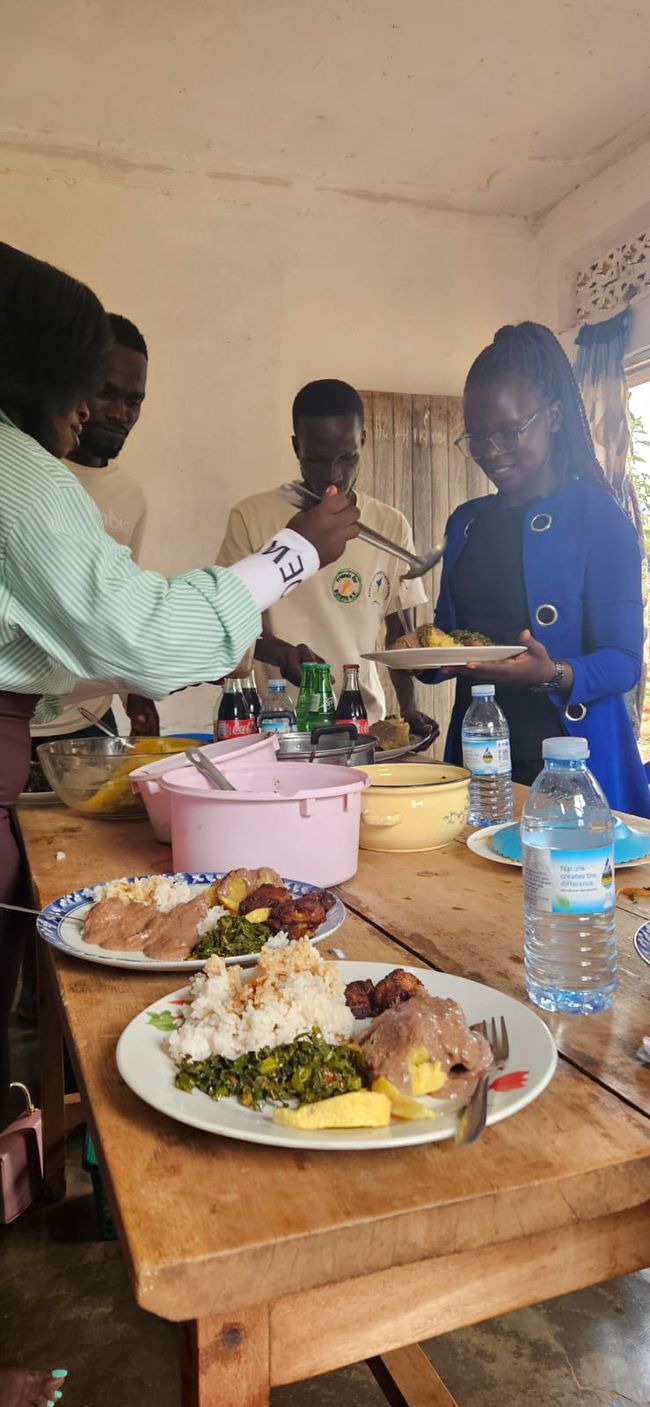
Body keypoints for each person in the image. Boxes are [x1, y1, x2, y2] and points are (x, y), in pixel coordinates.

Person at [0, 238, 360, 1137]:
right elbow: (154, 636)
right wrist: (295, 551)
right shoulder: (19, 473)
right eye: (87, 381)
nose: (95, 407)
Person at [420, 320, 650, 816]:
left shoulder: (598, 516)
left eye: (507, 430)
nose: (491, 451)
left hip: (573, 767)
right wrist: (425, 654)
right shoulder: (466, 523)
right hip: (480, 761)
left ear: (554, 416)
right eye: (477, 437)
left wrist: (553, 674)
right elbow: (451, 635)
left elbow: (623, 660)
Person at [217, 378, 436, 733]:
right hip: (275, 725)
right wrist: (279, 653)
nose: (332, 474)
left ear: (363, 441)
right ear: (296, 447)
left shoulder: (390, 525)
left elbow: (399, 634)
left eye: (347, 457)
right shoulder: (251, 516)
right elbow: (225, 622)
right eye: (316, 459)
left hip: (362, 725)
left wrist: (409, 709)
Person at [30, 312, 155, 748]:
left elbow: (117, 606)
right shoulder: (26, 473)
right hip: (17, 720)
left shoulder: (131, 497)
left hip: (88, 723)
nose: (120, 413)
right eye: (107, 393)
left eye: (134, 401)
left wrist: (133, 691)